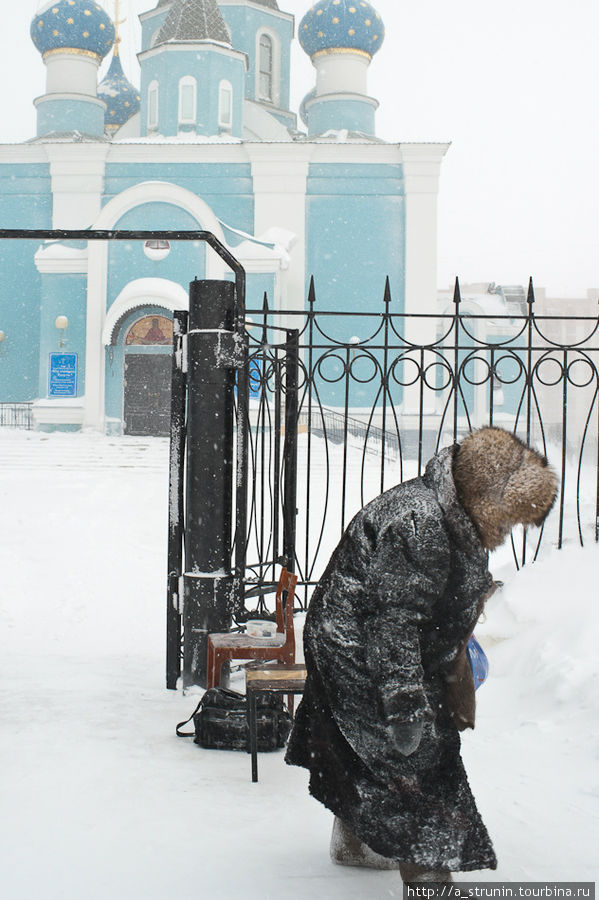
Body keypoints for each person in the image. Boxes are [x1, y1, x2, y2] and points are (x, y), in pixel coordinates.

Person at [285, 427, 558, 883]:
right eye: (507, 517)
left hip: (371, 639)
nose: (509, 528)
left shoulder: (451, 512)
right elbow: (394, 623)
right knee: (419, 764)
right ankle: (430, 884)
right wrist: (405, 704)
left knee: (378, 752)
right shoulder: (421, 522)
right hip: (353, 647)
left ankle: (355, 841)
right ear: (485, 498)